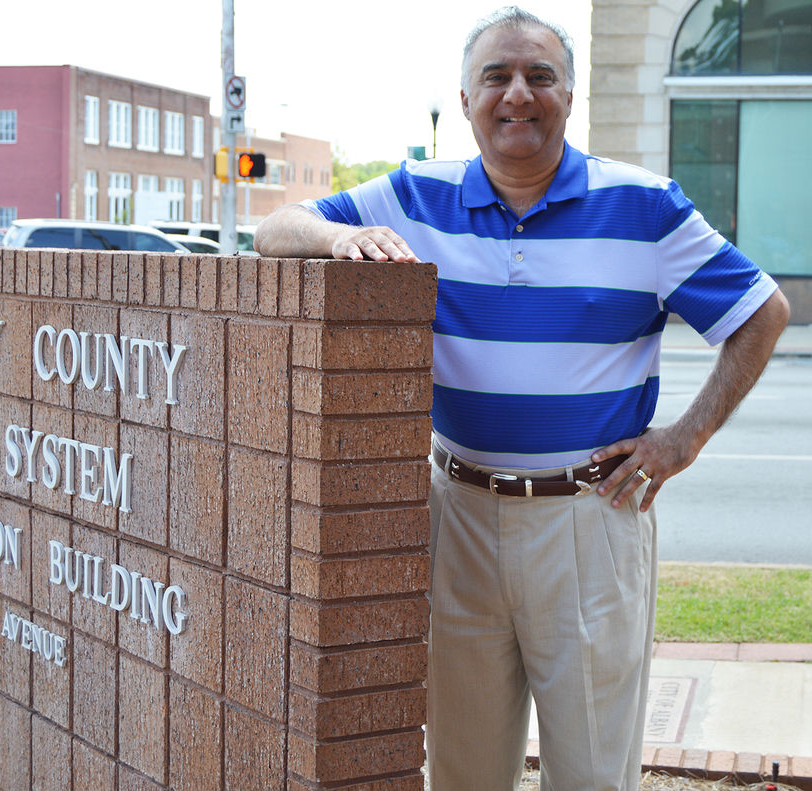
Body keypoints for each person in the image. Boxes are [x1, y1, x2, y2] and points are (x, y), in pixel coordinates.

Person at [255, 6, 790, 790]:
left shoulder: (646, 208)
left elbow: (761, 311)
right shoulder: (411, 198)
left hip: (590, 521)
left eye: (540, 76)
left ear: (568, 96)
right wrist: (339, 239)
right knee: (465, 769)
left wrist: (684, 439)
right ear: (465, 98)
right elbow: (274, 226)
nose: (518, 95)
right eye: (496, 77)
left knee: (592, 771)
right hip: (458, 516)